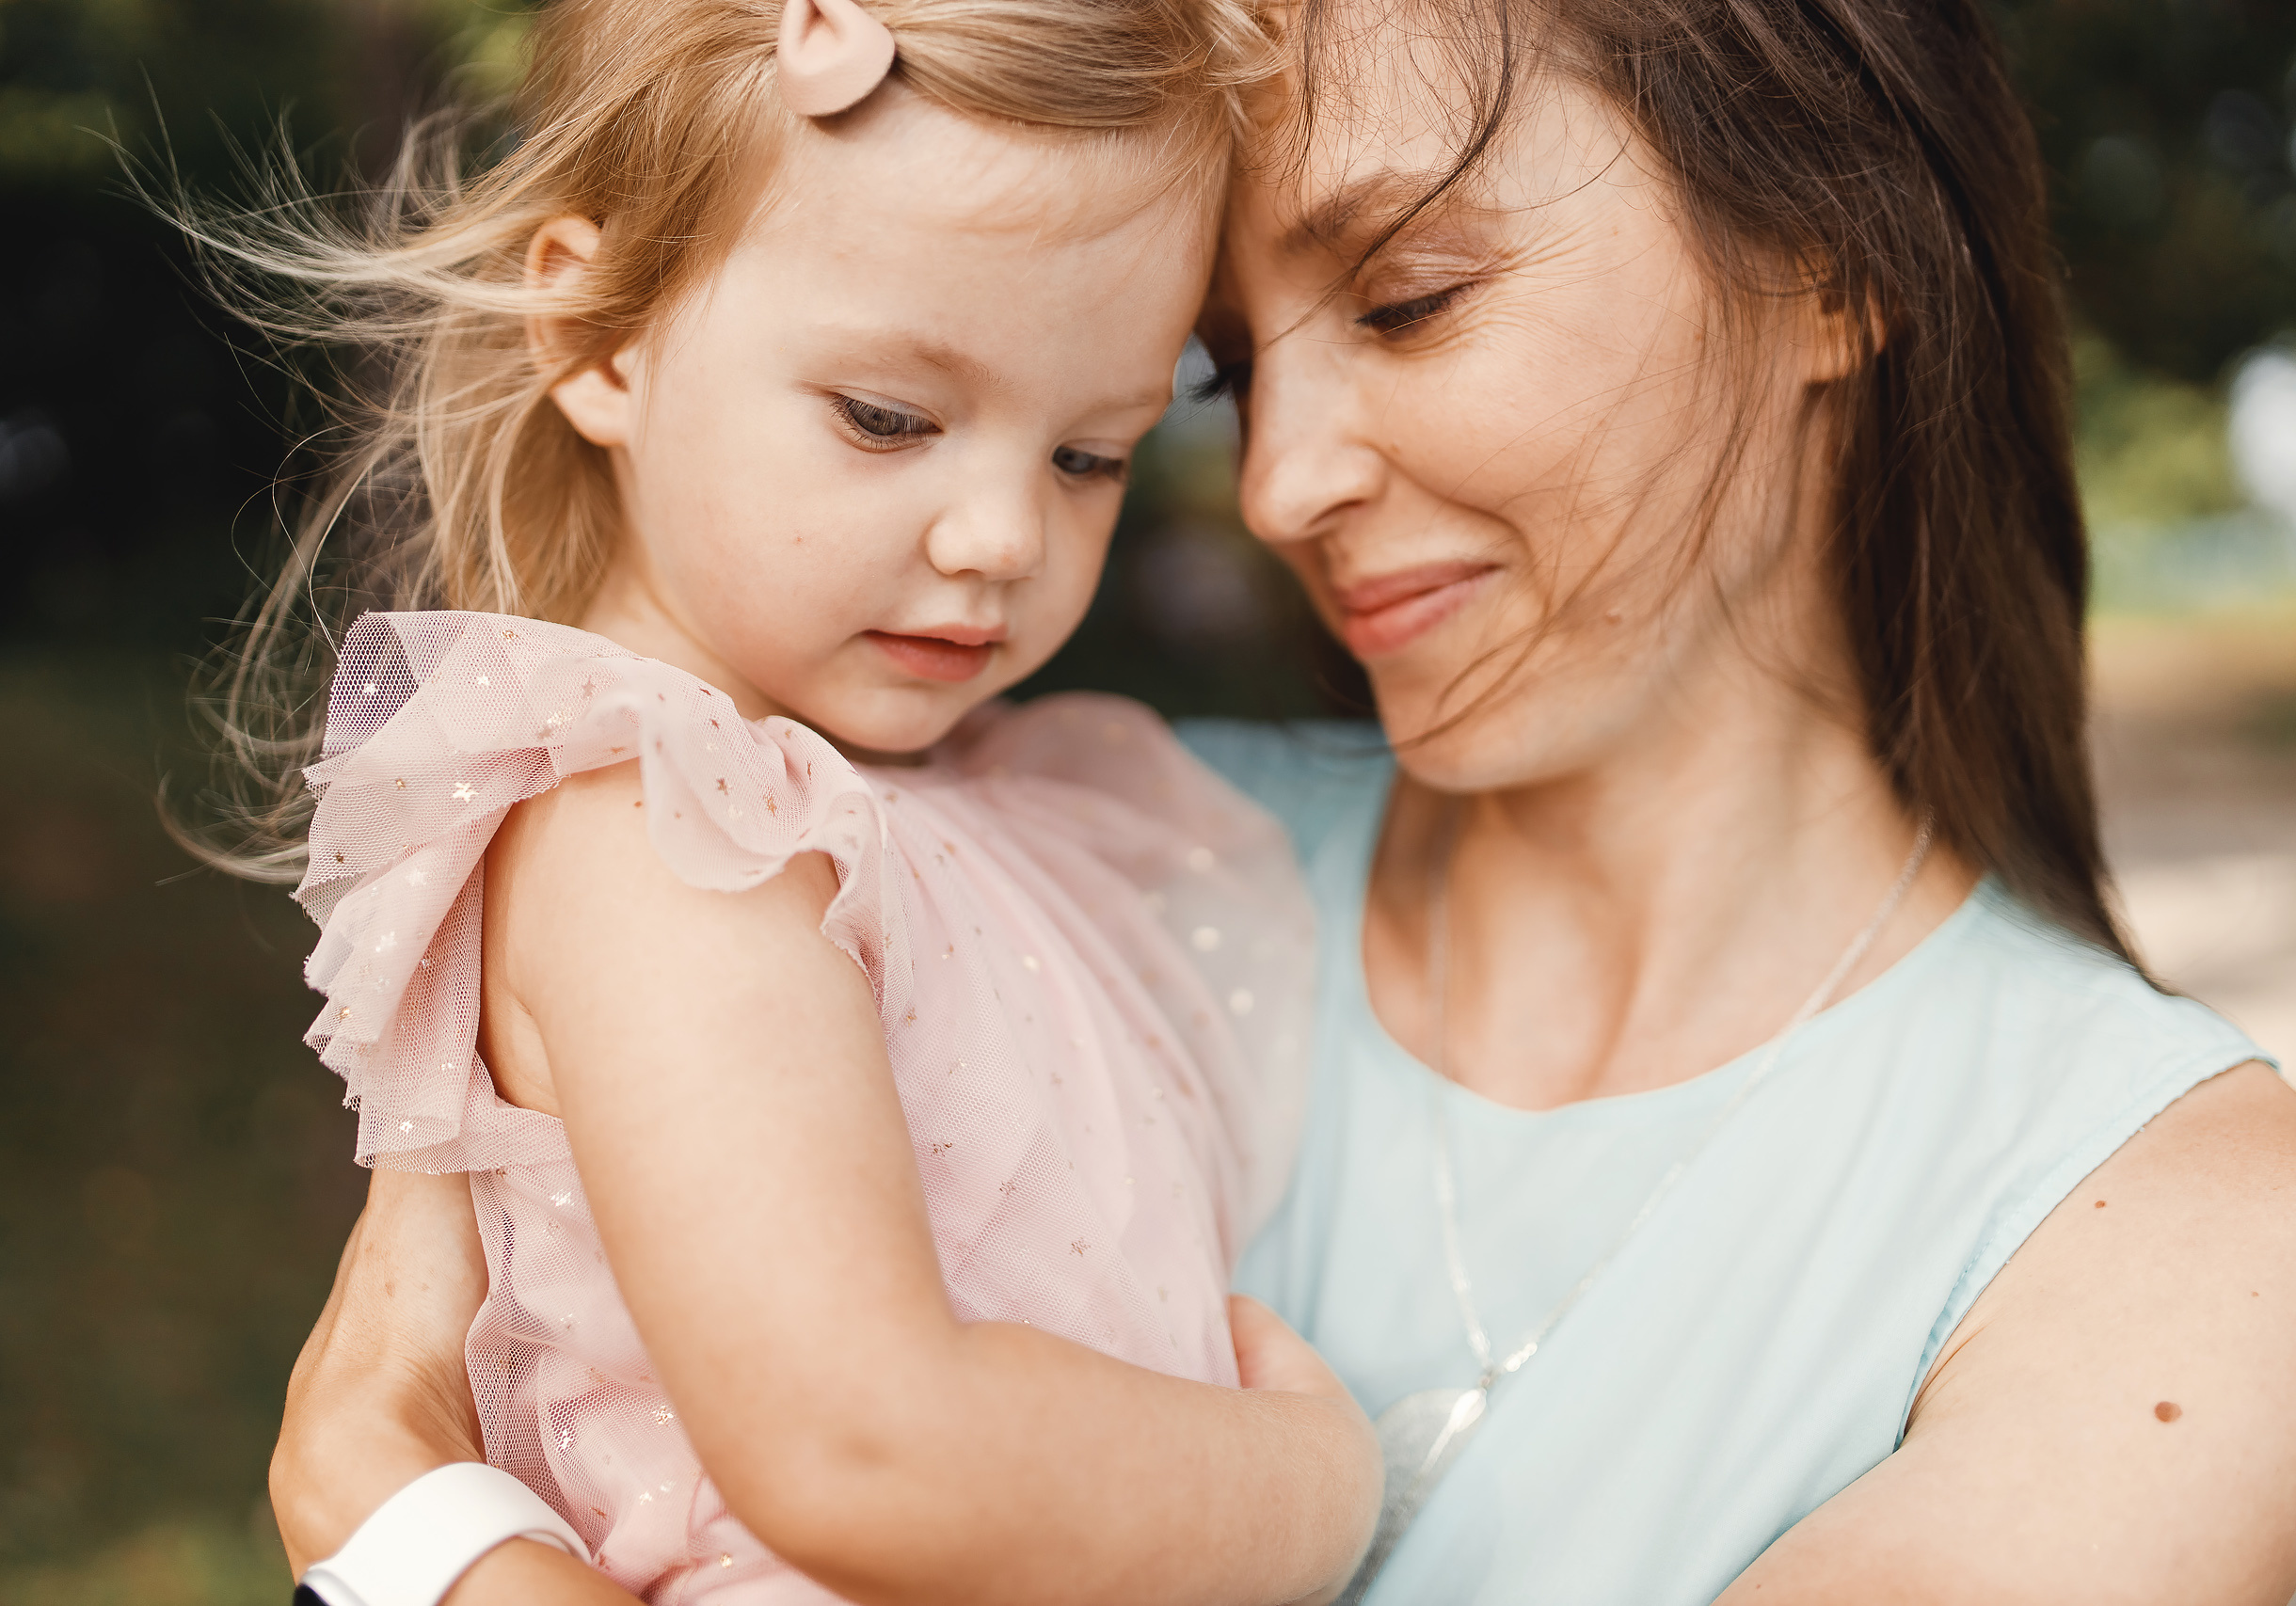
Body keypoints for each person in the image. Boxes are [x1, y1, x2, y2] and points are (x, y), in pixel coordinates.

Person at [271, 0, 2296, 1599]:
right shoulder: (980, 855)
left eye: (1408, 296)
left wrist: (412, 1540)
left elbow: (384, 1454)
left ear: (1824, 259)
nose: (1271, 485)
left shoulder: (2177, 1247)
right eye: (1231, 374)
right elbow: (505, 1392)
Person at [188, 0, 1389, 1601]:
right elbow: (865, 1450)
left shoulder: (933, 802)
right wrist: (1317, 1483)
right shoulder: (665, 831)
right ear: (601, 338)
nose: (1001, 539)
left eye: (1090, 454)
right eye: (889, 418)